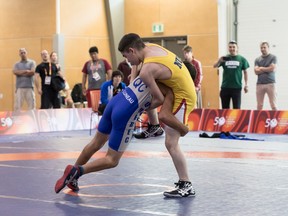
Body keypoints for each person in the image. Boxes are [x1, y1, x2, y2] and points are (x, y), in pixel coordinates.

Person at [55, 33, 196, 198]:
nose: (128, 62)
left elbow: (138, 67)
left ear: (133, 50)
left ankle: (74, 172)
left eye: (127, 57)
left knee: (95, 143)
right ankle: (78, 171)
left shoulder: (151, 52)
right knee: (112, 160)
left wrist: (133, 79)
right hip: (125, 113)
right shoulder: (160, 77)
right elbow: (161, 108)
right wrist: (183, 128)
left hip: (116, 102)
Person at [213, 40, 249, 109]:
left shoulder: (242, 59)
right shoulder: (224, 58)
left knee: (237, 109)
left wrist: (246, 84)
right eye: (230, 47)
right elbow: (214, 66)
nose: (232, 49)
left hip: (236, 88)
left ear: (237, 48)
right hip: (225, 87)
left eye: (233, 47)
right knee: (225, 109)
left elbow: (245, 72)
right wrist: (219, 60)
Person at [254, 41, 277, 110]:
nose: (263, 49)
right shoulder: (257, 59)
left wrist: (261, 68)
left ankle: (275, 120)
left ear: (268, 48)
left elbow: (272, 68)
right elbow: (256, 71)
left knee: (273, 104)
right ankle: (258, 120)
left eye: (264, 47)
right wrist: (267, 68)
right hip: (260, 84)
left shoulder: (273, 57)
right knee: (259, 105)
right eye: (261, 48)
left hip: (271, 83)